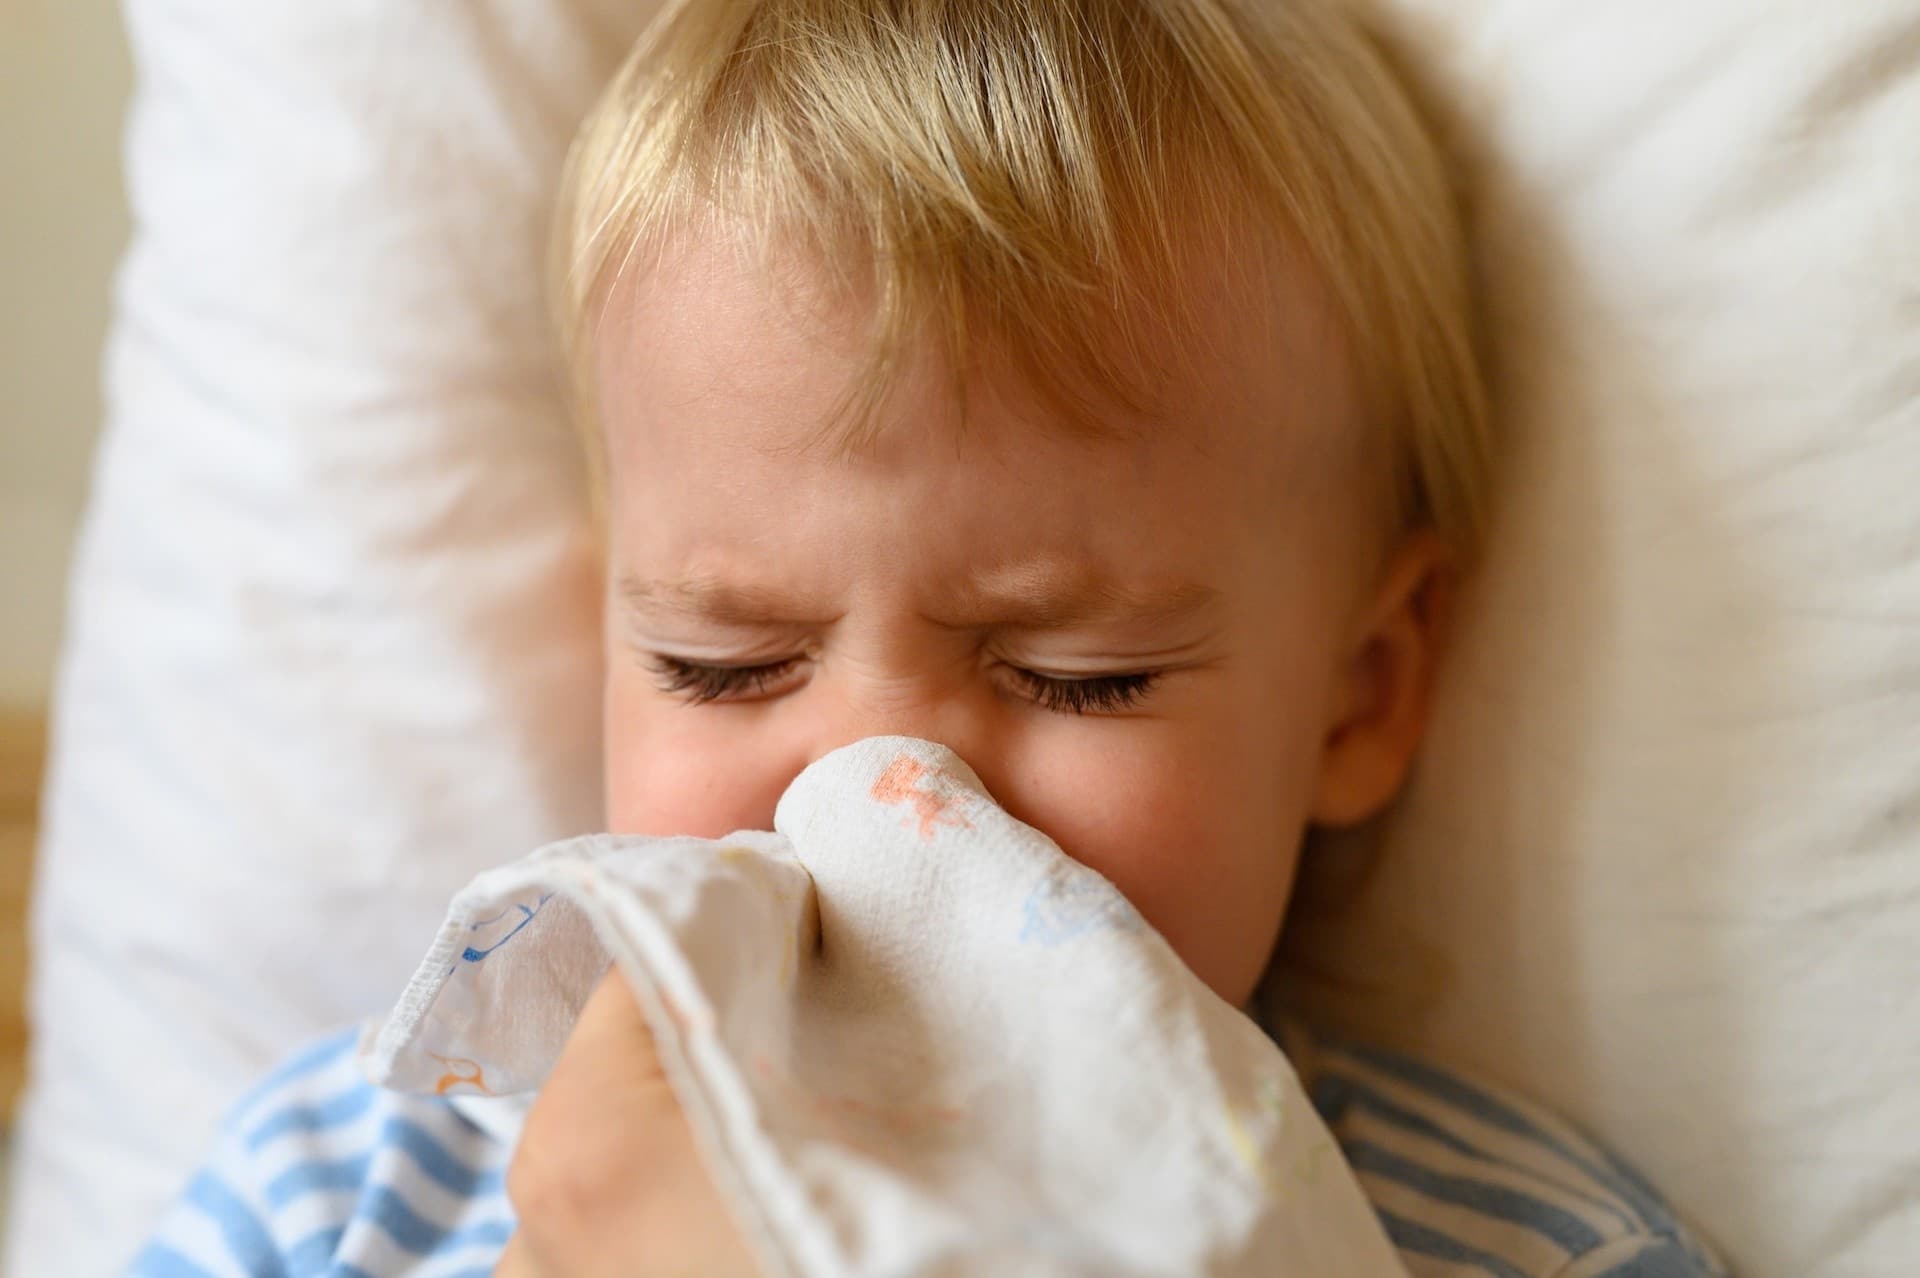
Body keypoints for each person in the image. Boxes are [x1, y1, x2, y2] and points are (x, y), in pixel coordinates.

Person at [134, 1, 1728, 1274]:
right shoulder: (346, 1172)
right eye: (725, 660)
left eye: (1075, 676)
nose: (881, 790)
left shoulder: (1536, 1244)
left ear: (1358, 694)